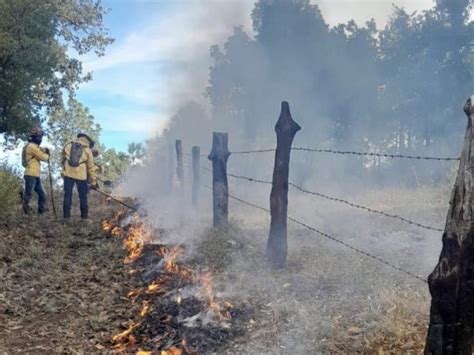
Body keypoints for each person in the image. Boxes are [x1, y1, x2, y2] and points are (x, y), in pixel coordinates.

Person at [61, 133, 97, 220]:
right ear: (87, 141)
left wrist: (63, 171)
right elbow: (91, 168)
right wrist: (93, 182)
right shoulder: (87, 150)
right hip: (81, 176)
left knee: (67, 196)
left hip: (68, 174)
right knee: (83, 197)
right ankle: (84, 218)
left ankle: (66, 218)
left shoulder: (68, 145)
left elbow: (63, 160)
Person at [22, 127, 50, 214]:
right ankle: (25, 212)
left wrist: (44, 149)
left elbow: (40, 149)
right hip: (31, 174)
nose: (40, 139)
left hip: (35, 175)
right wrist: (48, 154)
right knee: (28, 194)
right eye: (39, 137)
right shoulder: (32, 147)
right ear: (34, 137)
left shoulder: (32, 146)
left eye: (41, 137)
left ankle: (41, 213)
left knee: (43, 194)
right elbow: (43, 157)